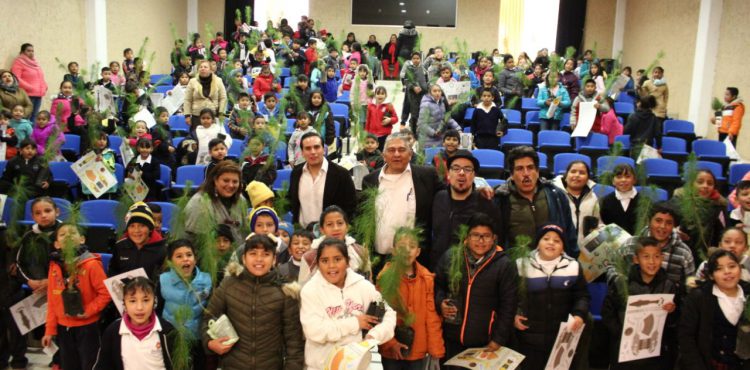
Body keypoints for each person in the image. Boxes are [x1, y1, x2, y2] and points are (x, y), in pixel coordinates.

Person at [203, 234, 304, 369]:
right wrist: (210, 343)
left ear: (274, 260)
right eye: (253, 253)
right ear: (244, 258)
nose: (259, 259)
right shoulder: (229, 284)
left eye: (266, 254)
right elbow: (208, 318)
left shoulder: (286, 291)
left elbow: (294, 342)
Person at [434, 213, 518, 365]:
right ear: (467, 237)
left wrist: (498, 339)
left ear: (494, 238)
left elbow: (509, 305)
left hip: (485, 344)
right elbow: (437, 285)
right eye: (475, 235)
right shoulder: (452, 256)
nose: (481, 241)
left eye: (486, 236)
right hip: (451, 340)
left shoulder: (504, 265)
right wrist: (440, 303)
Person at [300, 238, 397, 370]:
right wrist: (355, 323)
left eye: (337, 259)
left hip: (358, 366)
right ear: (318, 264)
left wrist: (374, 336)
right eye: (324, 261)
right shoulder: (310, 291)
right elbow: (315, 331)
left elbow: (388, 313)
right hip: (320, 367)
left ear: (347, 262)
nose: (331, 265)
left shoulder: (364, 287)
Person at [363, 133, 447, 268]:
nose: (397, 154)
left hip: (415, 257)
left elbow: (448, 195)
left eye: (402, 150)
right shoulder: (370, 180)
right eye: (391, 150)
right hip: (380, 258)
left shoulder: (426, 176)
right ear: (383, 155)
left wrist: (477, 189)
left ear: (410, 154)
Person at [514, 223, 589, 370]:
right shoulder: (521, 265)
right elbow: (510, 296)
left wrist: (579, 315)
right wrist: (514, 315)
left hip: (562, 338)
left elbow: (582, 296)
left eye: (557, 240)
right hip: (529, 337)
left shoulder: (573, 266)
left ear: (563, 247)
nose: (551, 243)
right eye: (546, 238)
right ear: (538, 243)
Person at [602, 237, 678, 370]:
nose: (652, 262)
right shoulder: (622, 283)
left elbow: (674, 321)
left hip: (654, 352)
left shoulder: (668, 286)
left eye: (656, 256)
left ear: (662, 258)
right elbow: (608, 311)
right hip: (624, 349)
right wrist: (620, 333)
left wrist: (672, 311)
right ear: (636, 259)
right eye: (646, 257)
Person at [42, 223, 111, 370]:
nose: (67, 236)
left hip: (87, 327)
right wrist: (49, 330)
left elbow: (105, 293)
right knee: (68, 365)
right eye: (62, 234)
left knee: (90, 365)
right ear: (56, 244)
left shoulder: (91, 265)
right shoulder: (54, 266)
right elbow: (52, 299)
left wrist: (88, 311)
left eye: (72, 233)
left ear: (82, 239)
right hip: (63, 327)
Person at [377, 228, 445, 369]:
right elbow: (378, 315)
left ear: (418, 252)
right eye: (402, 247)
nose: (407, 251)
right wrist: (390, 344)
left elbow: (432, 317)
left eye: (412, 246)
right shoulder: (385, 277)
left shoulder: (426, 278)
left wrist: (435, 351)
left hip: (418, 351)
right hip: (391, 351)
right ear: (394, 251)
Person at [494, 146, 578, 256]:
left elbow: (570, 234)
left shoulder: (556, 195)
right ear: (512, 175)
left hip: (551, 266)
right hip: (515, 267)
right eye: (519, 169)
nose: (526, 173)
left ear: (537, 171)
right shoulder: (500, 199)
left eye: (530, 168)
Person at [678, 250, 750, 370]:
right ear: (711, 275)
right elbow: (686, 337)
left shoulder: (747, 294)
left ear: (740, 269)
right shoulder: (699, 297)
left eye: (732, 266)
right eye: (719, 269)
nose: (727, 272)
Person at [431, 150, 502, 269]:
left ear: (474, 175)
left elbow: (496, 243)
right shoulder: (438, 198)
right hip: (438, 271)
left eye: (468, 169)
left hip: (472, 274)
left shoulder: (486, 204)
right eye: (456, 168)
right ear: (448, 173)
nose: (461, 173)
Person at [94, 277, 176, 370]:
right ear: (124, 303)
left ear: (154, 301)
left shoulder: (167, 331)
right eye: (132, 301)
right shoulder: (113, 331)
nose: (139, 307)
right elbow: (102, 365)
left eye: (146, 300)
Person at [157, 239, 211, 369]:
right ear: (170, 262)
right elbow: (157, 310)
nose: (185, 259)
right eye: (179, 256)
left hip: (197, 338)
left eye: (189, 255)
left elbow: (211, 309)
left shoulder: (207, 280)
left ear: (195, 259)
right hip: (172, 337)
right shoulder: (163, 280)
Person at [622, 202, 696, 295]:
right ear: (649, 221)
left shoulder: (684, 253)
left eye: (669, 223)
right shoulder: (631, 245)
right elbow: (614, 270)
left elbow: (690, 287)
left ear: (674, 226)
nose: (662, 226)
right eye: (658, 220)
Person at [288, 132, 356, 227]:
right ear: (302, 152)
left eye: (316, 147)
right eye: (308, 148)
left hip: (331, 235)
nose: (313, 152)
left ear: (324, 149)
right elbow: (292, 202)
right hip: (303, 235)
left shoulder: (341, 174)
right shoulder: (296, 173)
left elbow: (351, 207)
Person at [185, 161, 248, 243]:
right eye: (226, 180)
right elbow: (192, 239)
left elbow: (244, 232)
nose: (231, 185)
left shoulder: (241, 200)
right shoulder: (199, 201)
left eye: (235, 182)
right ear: (215, 180)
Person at [672, 169, 727, 258]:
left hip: (707, 255)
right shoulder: (679, 201)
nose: (705, 186)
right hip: (679, 252)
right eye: (700, 182)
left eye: (710, 183)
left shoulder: (719, 206)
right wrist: (673, 230)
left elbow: (723, 232)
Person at [109, 202, 167, 280]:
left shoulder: (162, 250)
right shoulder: (119, 247)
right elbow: (112, 273)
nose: (136, 230)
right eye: (132, 226)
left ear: (150, 229)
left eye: (142, 226)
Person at [551, 161, 601, 246]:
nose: (577, 175)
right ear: (566, 176)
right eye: (573, 171)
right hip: (559, 248)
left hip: (584, 250)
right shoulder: (554, 196)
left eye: (582, 173)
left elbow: (598, 223)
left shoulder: (593, 197)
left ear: (587, 179)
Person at [184, 60, 228, 132]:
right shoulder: (192, 81)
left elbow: (223, 98)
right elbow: (187, 100)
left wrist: (221, 113)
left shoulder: (218, 80)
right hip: (197, 116)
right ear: (198, 70)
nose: (203, 68)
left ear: (210, 69)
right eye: (200, 67)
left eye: (205, 67)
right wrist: (187, 115)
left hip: (213, 116)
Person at [599, 163, 640, 234]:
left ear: (634, 180)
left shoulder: (644, 201)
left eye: (627, 176)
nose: (623, 180)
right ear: (613, 181)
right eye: (619, 177)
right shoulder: (605, 201)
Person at [11, 44, 47, 121]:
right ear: (22, 52)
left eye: (32, 51)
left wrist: (45, 86)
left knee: (34, 116)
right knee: (25, 117)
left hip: (38, 94)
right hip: (27, 95)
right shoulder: (18, 62)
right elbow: (16, 78)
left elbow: (41, 77)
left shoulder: (35, 63)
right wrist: (31, 87)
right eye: (28, 51)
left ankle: (32, 133)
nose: (31, 53)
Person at [402, 52, 428, 134]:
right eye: (414, 58)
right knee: (414, 114)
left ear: (420, 59)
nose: (416, 60)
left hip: (422, 95)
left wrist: (423, 88)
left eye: (417, 58)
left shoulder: (423, 70)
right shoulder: (409, 69)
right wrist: (413, 87)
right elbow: (406, 81)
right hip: (412, 95)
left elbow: (427, 82)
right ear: (411, 59)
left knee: (421, 113)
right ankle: (413, 132)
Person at [638, 66, 669, 131]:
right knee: (648, 128)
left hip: (660, 110)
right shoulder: (647, 82)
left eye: (659, 73)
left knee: (658, 129)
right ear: (652, 73)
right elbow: (643, 95)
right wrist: (640, 89)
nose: (657, 74)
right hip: (649, 107)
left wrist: (664, 106)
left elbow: (666, 97)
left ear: (662, 74)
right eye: (655, 72)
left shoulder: (664, 85)